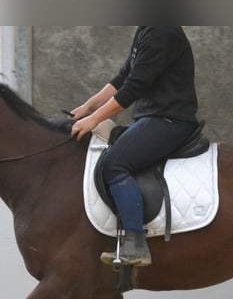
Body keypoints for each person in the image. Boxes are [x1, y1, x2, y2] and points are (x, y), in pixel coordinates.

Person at [71, 26, 200, 267]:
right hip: (151, 117)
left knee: (113, 164)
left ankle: (136, 243)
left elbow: (134, 87)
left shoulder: (162, 30)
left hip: (169, 119)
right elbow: (123, 78)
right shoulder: (147, 28)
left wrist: (94, 119)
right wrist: (88, 106)